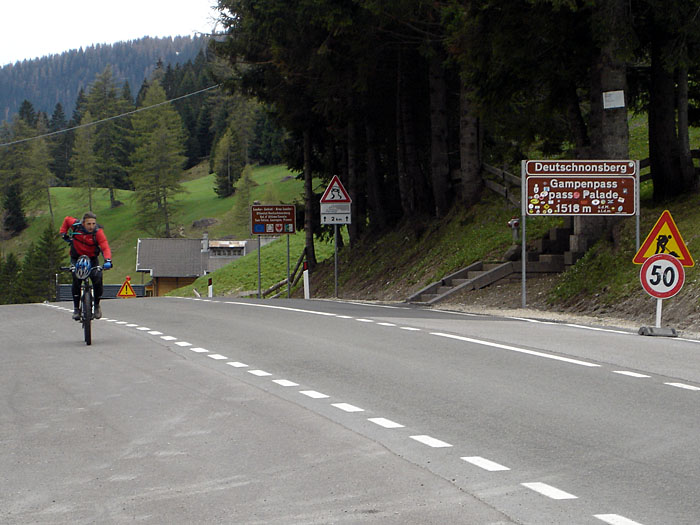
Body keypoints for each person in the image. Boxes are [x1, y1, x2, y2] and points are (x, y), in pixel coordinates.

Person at [59, 212, 113, 320]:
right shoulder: (75, 226)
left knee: (97, 278)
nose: (91, 226)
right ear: (83, 223)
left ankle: (97, 305)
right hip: (77, 258)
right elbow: (66, 219)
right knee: (76, 278)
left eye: (93, 223)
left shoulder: (98, 232)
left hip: (92, 259)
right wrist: (63, 233)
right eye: (89, 224)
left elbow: (105, 246)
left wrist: (108, 260)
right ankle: (76, 308)